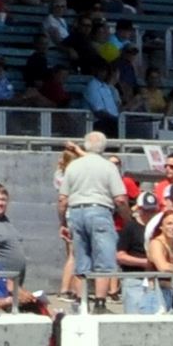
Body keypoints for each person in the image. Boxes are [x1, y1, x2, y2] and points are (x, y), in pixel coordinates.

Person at [58, 130, 127, 303]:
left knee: (81, 258)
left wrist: (62, 222)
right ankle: (100, 301)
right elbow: (120, 199)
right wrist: (129, 220)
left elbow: (62, 199)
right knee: (104, 258)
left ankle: (82, 302)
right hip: (100, 210)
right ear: (104, 147)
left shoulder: (73, 166)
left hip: (75, 211)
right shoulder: (109, 167)